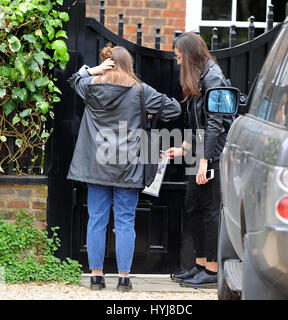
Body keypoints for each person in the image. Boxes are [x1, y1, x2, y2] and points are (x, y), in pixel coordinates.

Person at [67, 45, 181, 292]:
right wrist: (147, 114)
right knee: (125, 222)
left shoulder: (91, 88)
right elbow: (174, 108)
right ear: (129, 65)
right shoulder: (141, 91)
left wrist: (94, 70)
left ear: (107, 63)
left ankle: (96, 277)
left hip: (96, 165)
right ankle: (124, 279)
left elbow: (75, 78)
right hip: (127, 166)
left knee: (96, 219)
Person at [166, 32, 233, 287]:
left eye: (179, 57)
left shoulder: (213, 76)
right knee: (193, 206)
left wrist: (205, 161)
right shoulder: (199, 77)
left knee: (210, 211)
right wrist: (182, 149)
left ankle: (213, 271)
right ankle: (201, 265)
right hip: (200, 152)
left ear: (190, 54)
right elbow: (198, 125)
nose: (178, 62)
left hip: (214, 154)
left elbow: (215, 124)